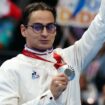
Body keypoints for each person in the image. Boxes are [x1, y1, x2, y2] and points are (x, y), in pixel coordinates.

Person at [0, 1, 105, 105]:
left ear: (55, 30)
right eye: (37, 27)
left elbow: (101, 25)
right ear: (23, 30)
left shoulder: (72, 56)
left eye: (50, 27)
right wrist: (50, 96)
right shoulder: (10, 68)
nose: (45, 33)